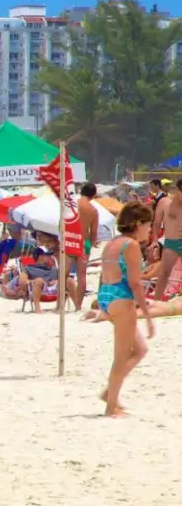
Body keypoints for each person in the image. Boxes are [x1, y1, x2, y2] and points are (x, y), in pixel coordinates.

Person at [96, 202, 154, 417]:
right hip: (122, 298)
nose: (149, 230)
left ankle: (108, 393)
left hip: (106, 295)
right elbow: (135, 283)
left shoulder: (113, 243)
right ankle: (111, 407)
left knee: (139, 350)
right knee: (121, 356)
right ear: (138, 224)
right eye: (148, 226)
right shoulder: (131, 245)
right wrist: (147, 316)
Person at [68, 183, 100, 310]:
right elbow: (94, 233)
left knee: (64, 274)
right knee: (82, 275)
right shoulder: (93, 210)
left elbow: (62, 223)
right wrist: (91, 244)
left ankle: (59, 304)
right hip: (84, 242)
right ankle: (78, 305)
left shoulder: (71, 205)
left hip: (70, 239)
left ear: (81, 191)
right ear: (93, 195)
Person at [152, 179, 182, 301]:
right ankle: (156, 301)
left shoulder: (165, 202)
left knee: (164, 274)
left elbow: (156, 222)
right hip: (172, 241)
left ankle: (157, 301)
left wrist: (155, 239)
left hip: (172, 240)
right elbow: (157, 222)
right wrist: (154, 239)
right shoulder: (165, 202)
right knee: (164, 274)